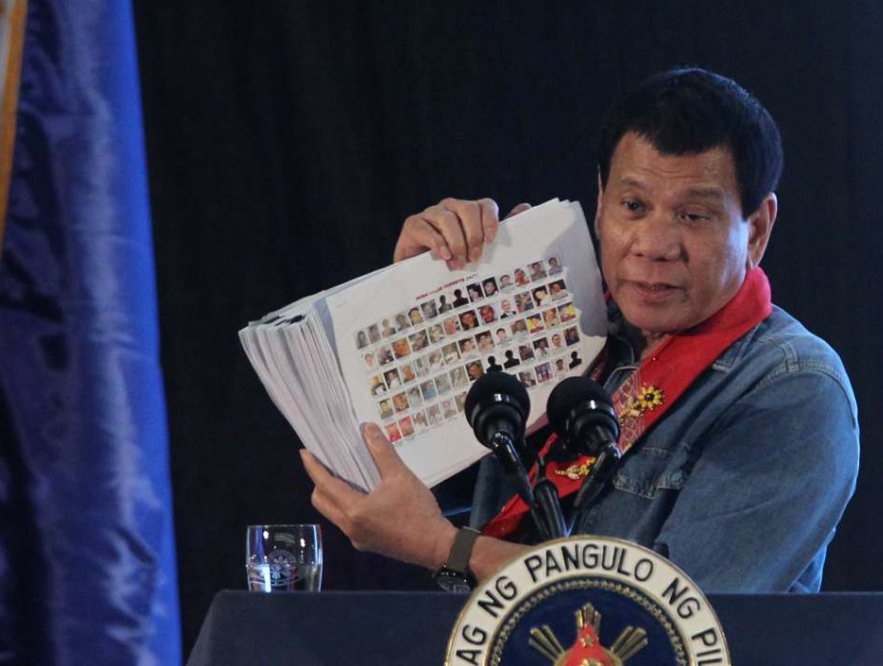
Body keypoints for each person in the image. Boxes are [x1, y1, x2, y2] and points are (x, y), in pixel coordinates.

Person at [301, 68, 858, 594]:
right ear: (599, 204)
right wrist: (421, 311)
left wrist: (448, 548)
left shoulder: (794, 388)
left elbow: (673, 613)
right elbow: (390, 482)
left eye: (693, 215)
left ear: (756, 230)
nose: (653, 245)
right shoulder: (566, 330)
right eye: (633, 205)